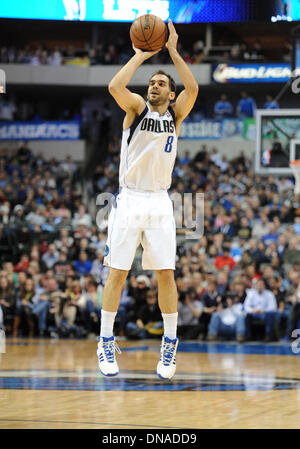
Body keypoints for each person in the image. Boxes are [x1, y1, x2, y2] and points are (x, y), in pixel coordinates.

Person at [96, 19, 198, 380]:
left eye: (161, 83)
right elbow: (114, 85)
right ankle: (105, 341)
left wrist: (172, 50)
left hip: (159, 201)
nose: (154, 85)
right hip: (130, 199)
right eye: (152, 82)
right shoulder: (136, 108)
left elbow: (194, 86)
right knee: (117, 274)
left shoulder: (176, 113)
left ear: (171, 94)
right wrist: (140, 55)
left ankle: (169, 346)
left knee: (166, 275)